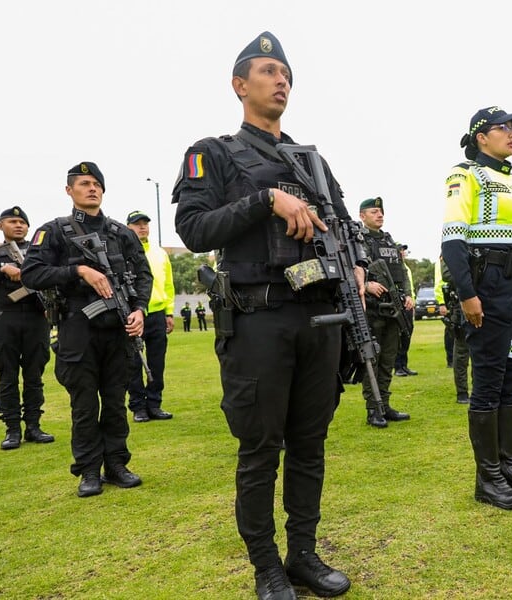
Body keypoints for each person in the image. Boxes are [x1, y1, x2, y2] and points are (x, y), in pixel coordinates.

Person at [172, 32, 352, 600]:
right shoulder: (214, 151)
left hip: (319, 318)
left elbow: (342, 226)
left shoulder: (312, 161)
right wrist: (266, 200)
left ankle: (303, 554)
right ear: (239, 85)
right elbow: (194, 230)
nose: (281, 81)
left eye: (287, 74)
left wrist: (363, 273)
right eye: (269, 71)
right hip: (258, 321)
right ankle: (266, 566)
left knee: (310, 444)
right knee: (259, 449)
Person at [442, 105, 512, 510]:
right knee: (488, 378)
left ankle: (508, 467)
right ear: (480, 136)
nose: (511, 133)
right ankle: (487, 479)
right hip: (489, 285)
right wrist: (469, 294)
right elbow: (452, 242)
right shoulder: (465, 175)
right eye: (502, 127)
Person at [22, 162, 151, 497]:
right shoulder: (53, 231)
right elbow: (31, 274)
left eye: (96, 183)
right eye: (84, 183)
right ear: (70, 191)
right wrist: (78, 270)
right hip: (77, 327)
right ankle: (89, 470)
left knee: (114, 402)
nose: (92, 188)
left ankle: (117, 464)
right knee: (83, 405)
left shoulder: (121, 233)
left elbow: (142, 275)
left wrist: (139, 309)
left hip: (118, 329)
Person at [0, 206, 54, 449]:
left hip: (35, 318)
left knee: (34, 375)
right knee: (7, 376)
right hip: (5, 319)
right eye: (12, 221)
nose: (18, 225)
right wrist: (1, 270)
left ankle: (33, 426)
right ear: (1, 226)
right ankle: (12, 430)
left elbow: (53, 275)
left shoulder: (38, 252)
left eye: (22, 222)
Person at [358, 197, 412, 427]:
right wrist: (367, 284)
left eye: (380, 212)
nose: (379, 215)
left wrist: (408, 294)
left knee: (388, 358)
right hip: (372, 310)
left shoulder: (389, 241)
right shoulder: (357, 241)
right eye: (374, 212)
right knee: (373, 358)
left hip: (393, 309)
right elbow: (353, 268)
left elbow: (400, 271)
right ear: (362, 216)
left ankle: (385, 405)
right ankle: (373, 409)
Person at [125, 211, 175, 423]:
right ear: (128, 228)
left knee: (157, 363)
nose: (142, 227)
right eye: (137, 224)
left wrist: (169, 312)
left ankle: (154, 404)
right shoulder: (123, 252)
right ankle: (138, 406)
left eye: (145, 223)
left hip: (156, 315)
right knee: (134, 363)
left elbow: (168, 284)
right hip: (133, 315)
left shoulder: (159, 253)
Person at [436, 255, 470, 403]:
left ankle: (480, 389)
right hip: (460, 304)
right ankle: (462, 392)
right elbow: (448, 275)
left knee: (482, 351)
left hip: (482, 301)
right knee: (461, 351)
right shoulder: (453, 246)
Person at [393, 243, 418, 377]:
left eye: (403, 250)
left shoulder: (405, 267)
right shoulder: (396, 267)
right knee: (399, 336)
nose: (403, 252)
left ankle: (404, 365)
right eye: (400, 250)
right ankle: (397, 366)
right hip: (400, 304)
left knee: (407, 335)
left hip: (409, 305)